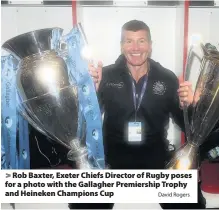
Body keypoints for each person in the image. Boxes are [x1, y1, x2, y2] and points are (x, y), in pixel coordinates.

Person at [69, 20, 205, 209]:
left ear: (150, 45)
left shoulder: (167, 78)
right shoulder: (105, 76)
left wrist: (190, 106)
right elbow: (85, 125)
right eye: (128, 41)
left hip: (156, 157)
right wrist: (90, 94)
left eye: (141, 41)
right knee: (83, 203)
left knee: (191, 201)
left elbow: (187, 127)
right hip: (112, 158)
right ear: (121, 46)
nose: (135, 48)